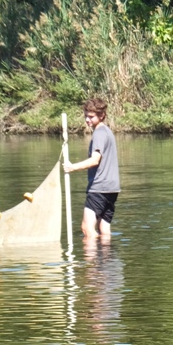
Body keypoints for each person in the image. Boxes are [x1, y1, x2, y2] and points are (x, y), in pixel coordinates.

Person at [64, 98, 120, 239]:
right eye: (86, 116)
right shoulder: (107, 132)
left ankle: (94, 260)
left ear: (101, 116)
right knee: (104, 228)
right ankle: (107, 260)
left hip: (99, 187)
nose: (87, 120)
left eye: (91, 116)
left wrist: (72, 167)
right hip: (112, 188)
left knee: (87, 228)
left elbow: (95, 160)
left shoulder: (99, 133)